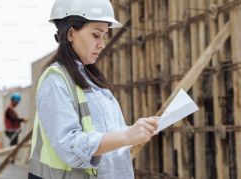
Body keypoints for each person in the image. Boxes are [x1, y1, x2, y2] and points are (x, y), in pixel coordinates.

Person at [28, 0, 159, 179]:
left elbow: (109, 134)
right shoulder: (55, 80)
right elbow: (69, 145)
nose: (102, 44)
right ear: (71, 33)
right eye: (96, 35)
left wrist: (138, 130)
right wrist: (126, 136)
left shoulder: (92, 80)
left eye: (104, 35)